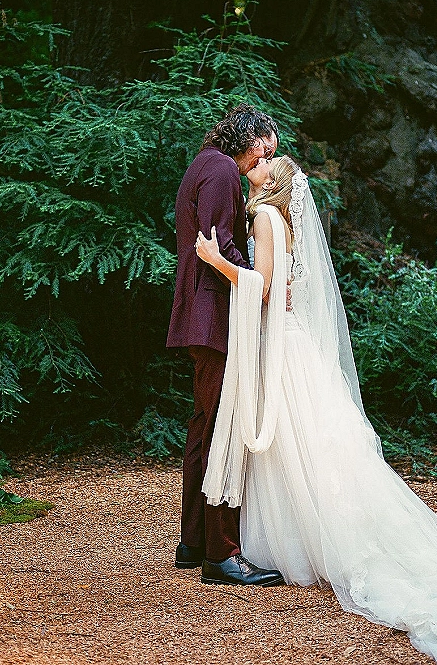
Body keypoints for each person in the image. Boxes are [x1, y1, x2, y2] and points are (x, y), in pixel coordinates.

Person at [195, 154, 437, 665]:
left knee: (292, 441)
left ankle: (315, 539)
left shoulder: (266, 217)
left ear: (274, 183)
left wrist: (215, 260)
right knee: (305, 444)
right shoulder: (277, 216)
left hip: (282, 347)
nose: (260, 161)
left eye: (268, 161)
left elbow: (264, 288)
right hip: (292, 341)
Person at [166, 104, 284, 588]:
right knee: (222, 430)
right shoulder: (220, 172)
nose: (265, 162)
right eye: (264, 151)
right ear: (248, 137)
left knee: (205, 425)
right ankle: (222, 555)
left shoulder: (205, 164)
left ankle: (194, 542)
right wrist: (259, 281)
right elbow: (218, 248)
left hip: (203, 311)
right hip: (214, 313)